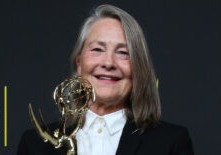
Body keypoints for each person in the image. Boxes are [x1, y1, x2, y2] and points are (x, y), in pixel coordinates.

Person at [17, 4, 194, 155]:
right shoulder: (35, 145)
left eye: (123, 53)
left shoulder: (171, 143)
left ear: (139, 67)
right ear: (79, 63)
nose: (108, 62)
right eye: (97, 49)